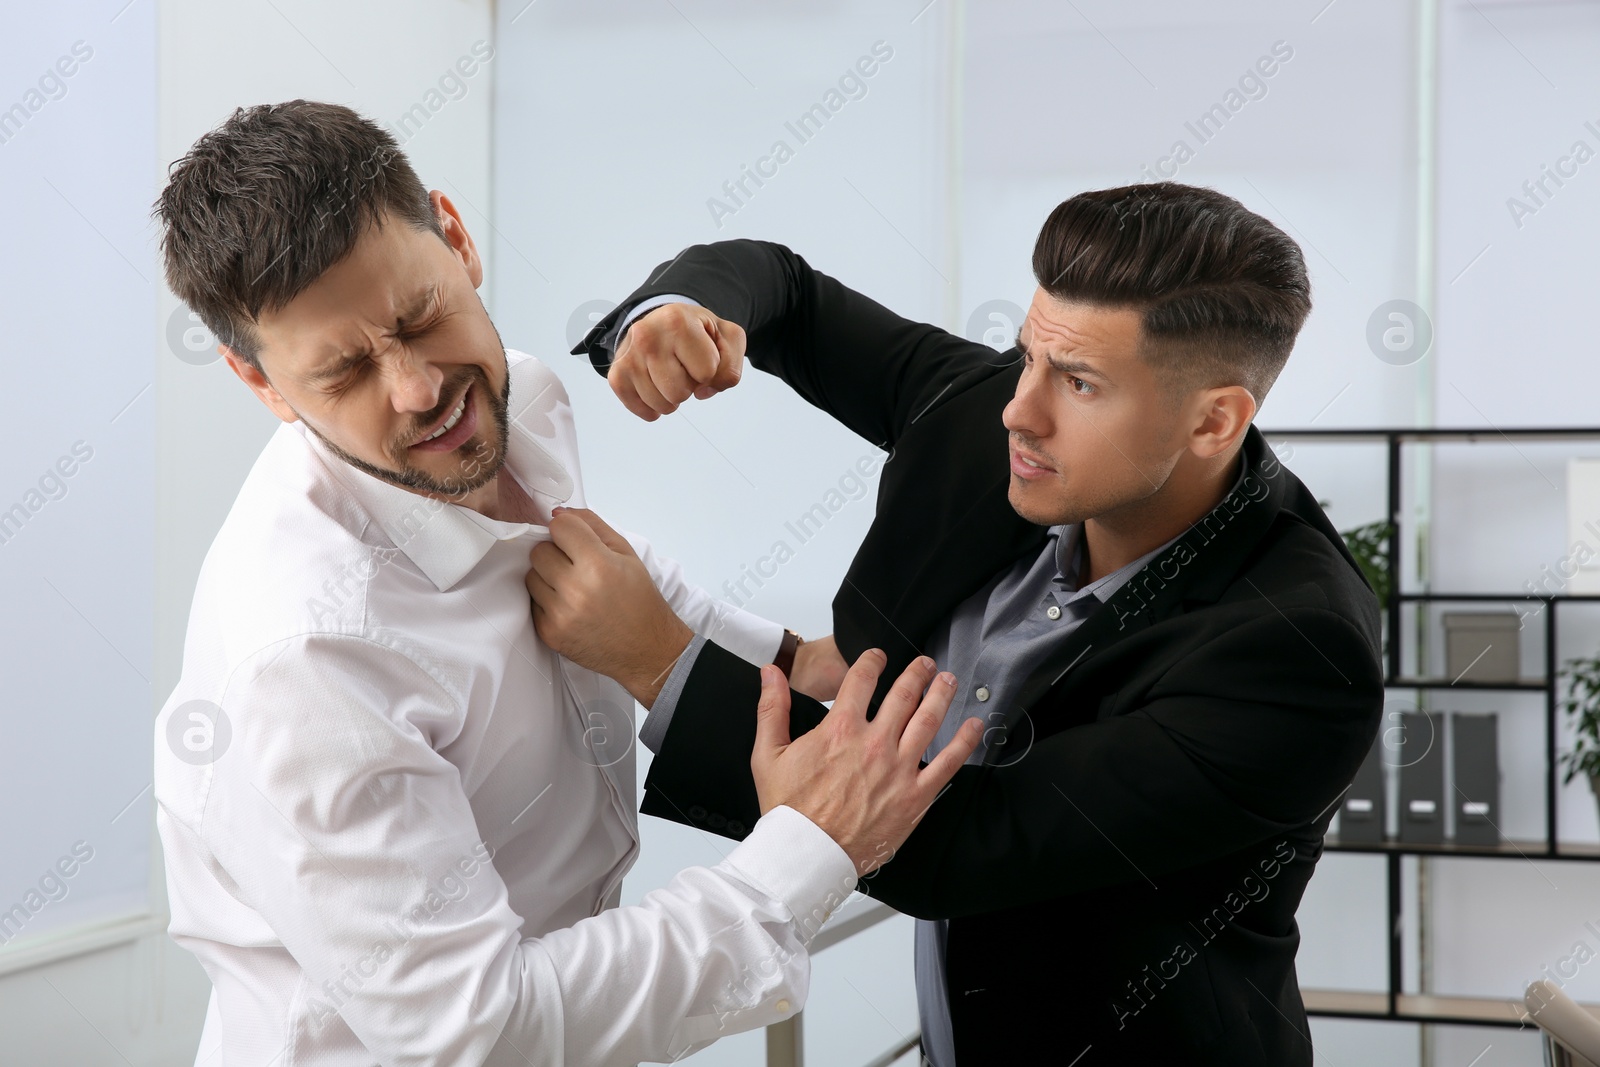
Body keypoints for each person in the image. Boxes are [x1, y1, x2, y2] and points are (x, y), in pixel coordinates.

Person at [150, 100, 980, 1067]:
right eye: (343, 374)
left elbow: (604, 577)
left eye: (421, 317)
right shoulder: (307, 661)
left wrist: (797, 662)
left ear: (456, 239)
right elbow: (483, 1030)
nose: (420, 388)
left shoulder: (513, 401)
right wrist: (805, 849)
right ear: (264, 386)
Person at [544, 183, 1386, 1065]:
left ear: (1214, 420)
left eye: (1081, 382)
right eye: (1030, 356)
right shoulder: (999, 418)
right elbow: (786, 292)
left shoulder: (1299, 652)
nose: (1021, 409)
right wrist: (679, 310)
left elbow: (958, 838)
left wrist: (655, 660)